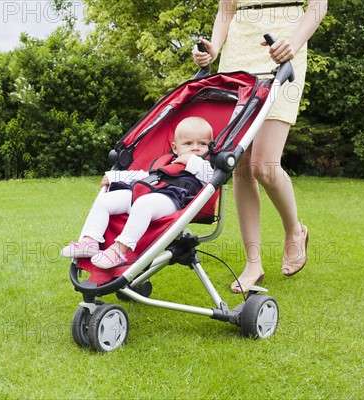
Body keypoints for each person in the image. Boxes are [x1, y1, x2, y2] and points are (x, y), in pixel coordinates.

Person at [192, 0, 327, 292]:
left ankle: (294, 231)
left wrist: (293, 43)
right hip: (238, 55)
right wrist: (214, 47)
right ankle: (253, 263)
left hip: (284, 50)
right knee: (240, 164)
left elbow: (318, 6)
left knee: (264, 164)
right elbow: (226, 9)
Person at [60, 117, 214, 269]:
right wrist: (114, 177)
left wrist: (191, 160)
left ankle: (120, 250)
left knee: (143, 204)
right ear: (175, 148)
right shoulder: (166, 161)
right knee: (105, 201)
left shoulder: (206, 167)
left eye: (202, 144)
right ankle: (90, 240)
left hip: (172, 200)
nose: (195, 148)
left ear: (211, 148)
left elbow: (211, 178)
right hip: (147, 191)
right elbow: (144, 175)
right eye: (188, 144)